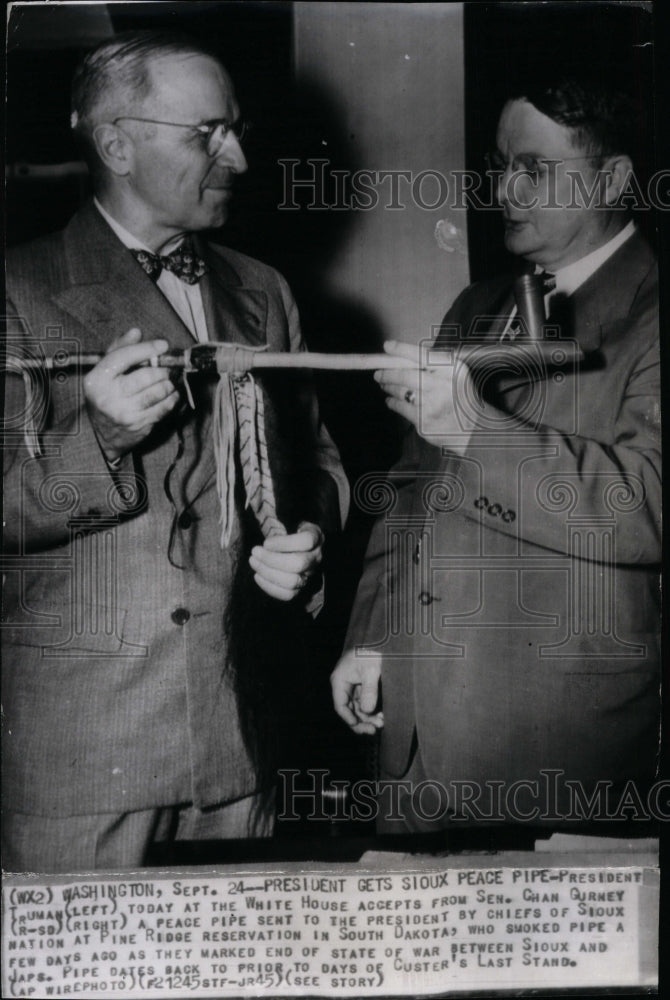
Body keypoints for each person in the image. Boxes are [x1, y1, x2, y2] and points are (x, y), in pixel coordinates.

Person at [3, 30, 348, 872]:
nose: (236, 152)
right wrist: (102, 440)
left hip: (240, 737)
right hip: (82, 754)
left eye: (236, 129)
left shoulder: (262, 290)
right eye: (207, 133)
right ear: (117, 144)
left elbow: (318, 463)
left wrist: (305, 536)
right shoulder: (17, 289)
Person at [332, 75, 660, 833]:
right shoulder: (477, 306)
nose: (504, 188)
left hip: (556, 747)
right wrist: (373, 638)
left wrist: (478, 431)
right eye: (500, 164)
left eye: (533, 170)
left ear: (613, 178)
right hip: (414, 735)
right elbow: (412, 488)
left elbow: (646, 504)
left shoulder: (651, 310)